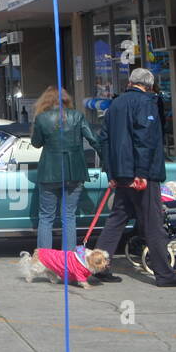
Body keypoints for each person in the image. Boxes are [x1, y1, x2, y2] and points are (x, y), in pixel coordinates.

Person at [93, 68, 176, 288]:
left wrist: (112, 173)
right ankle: (165, 275)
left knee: (116, 220)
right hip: (140, 175)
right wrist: (142, 173)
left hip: (121, 174)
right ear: (149, 84)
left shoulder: (115, 104)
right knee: (153, 223)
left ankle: (99, 267)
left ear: (130, 82)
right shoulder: (146, 102)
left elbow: (104, 140)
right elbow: (144, 139)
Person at [30, 86, 99, 251]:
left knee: (46, 218)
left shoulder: (41, 118)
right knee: (69, 217)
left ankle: (45, 261)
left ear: (45, 101)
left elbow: (36, 143)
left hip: (49, 173)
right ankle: (67, 260)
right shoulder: (77, 116)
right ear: (66, 100)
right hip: (74, 172)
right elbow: (93, 139)